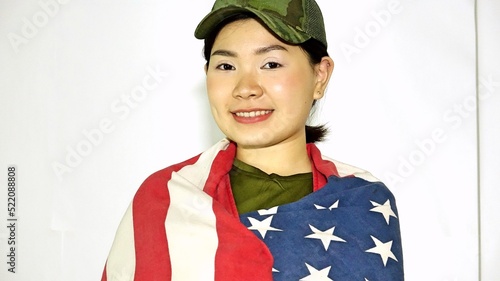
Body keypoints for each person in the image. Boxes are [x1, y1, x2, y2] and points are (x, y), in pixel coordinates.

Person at [102, 0, 404, 280]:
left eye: (271, 64)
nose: (245, 88)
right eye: (226, 66)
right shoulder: (167, 199)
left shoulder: (364, 203)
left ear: (320, 76)